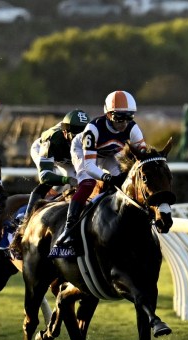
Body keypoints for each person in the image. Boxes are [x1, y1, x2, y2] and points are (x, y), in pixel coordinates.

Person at [50, 90, 148, 259]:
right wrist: (106, 177)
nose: (124, 123)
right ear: (108, 115)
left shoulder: (133, 128)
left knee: (123, 183)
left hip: (108, 154)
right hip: (83, 152)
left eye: (128, 117)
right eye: (119, 117)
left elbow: (143, 157)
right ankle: (69, 229)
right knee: (88, 183)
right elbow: (89, 166)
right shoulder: (93, 129)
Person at [23, 109, 89, 221]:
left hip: (68, 155)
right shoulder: (52, 139)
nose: (79, 140)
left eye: (82, 136)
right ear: (65, 132)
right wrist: (67, 180)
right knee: (50, 181)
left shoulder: (93, 135)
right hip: (48, 151)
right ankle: (25, 220)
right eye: (75, 136)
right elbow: (45, 176)